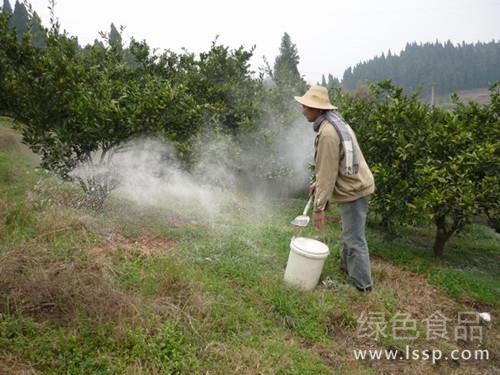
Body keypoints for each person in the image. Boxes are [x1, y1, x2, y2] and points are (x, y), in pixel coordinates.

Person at [294, 85, 375, 292]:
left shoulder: (328, 133)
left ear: (317, 109)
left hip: (355, 189)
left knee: (354, 238)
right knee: (349, 233)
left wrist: (319, 207)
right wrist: (317, 183)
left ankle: (362, 286)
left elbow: (328, 172)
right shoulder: (334, 123)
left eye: (306, 106)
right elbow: (331, 166)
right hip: (355, 184)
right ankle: (346, 268)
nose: (303, 110)